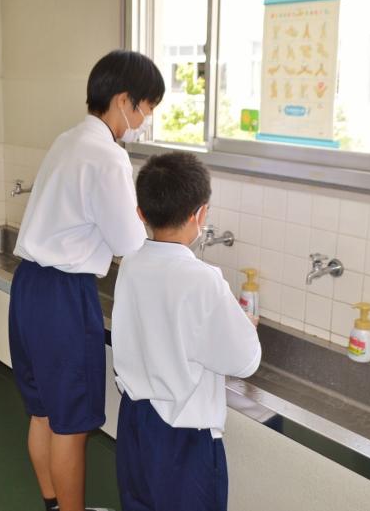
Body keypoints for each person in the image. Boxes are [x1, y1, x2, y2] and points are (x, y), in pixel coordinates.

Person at [8, 50, 164, 511]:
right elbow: (130, 242)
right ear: (123, 101)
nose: (144, 121)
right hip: (63, 298)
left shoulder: (67, 140)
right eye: (146, 109)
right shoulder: (108, 157)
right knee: (71, 427)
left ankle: (54, 505)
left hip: (28, 288)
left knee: (42, 414)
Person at [112, 152, 262, 511]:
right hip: (183, 438)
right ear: (201, 214)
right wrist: (245, 326)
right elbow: (246, 361)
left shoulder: (130, 264)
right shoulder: (203, 280)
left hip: (135, 424)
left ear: (141, 213)